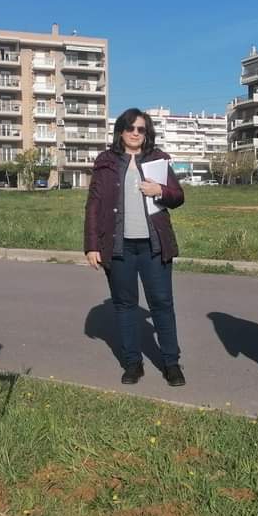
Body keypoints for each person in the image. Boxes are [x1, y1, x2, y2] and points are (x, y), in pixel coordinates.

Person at [84, 108, 186, 386]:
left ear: (147, 133)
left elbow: (178, 196)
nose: (135, 133)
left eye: (141, 129)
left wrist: (160, 192)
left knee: (162, 304)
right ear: (121, 131)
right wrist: (92, 245)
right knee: (125, 305)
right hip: (118, 247)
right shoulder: (105, 161)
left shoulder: (158, 159)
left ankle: (171, 363)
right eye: (130, 128)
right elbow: (93, 205)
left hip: (154, 246)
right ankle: (132, 363)